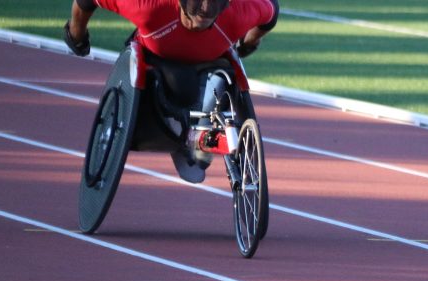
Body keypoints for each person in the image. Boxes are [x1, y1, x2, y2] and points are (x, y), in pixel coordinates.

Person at [63, 0, 279, 183]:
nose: (205, 9)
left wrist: (250, 41)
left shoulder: (235, 14)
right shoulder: (150, 7)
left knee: (221, 77)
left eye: (214, 1)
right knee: (180, 87)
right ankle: (183, 135)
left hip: (207, 68)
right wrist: (76, 33)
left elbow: (271, 11)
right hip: (155, 66)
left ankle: (197, 137)